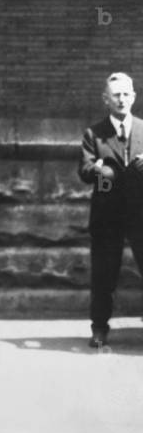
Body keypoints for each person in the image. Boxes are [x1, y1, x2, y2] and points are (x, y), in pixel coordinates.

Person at [78, 72, 143, 348]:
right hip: (107, 215)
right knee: (104, 274)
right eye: (115, 95)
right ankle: (99, 328)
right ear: (106, 100)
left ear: (134, 97)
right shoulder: (94, 133)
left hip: (141, 213)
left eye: (126, 94)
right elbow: (84, 170)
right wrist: (99, 169)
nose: (122, 99)